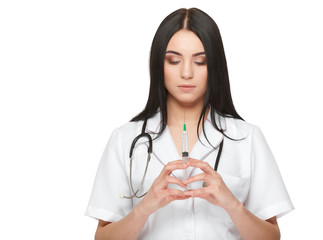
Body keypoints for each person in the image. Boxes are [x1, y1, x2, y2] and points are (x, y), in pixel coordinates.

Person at [85, 8, 294, 240]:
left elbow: (272, 237)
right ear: (158, 65)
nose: (186, 73)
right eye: (173, 61)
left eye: (200, 62)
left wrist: (232, 204)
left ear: (215, 66)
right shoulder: (125, 140)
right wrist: (144, 208)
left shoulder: (247, 138)